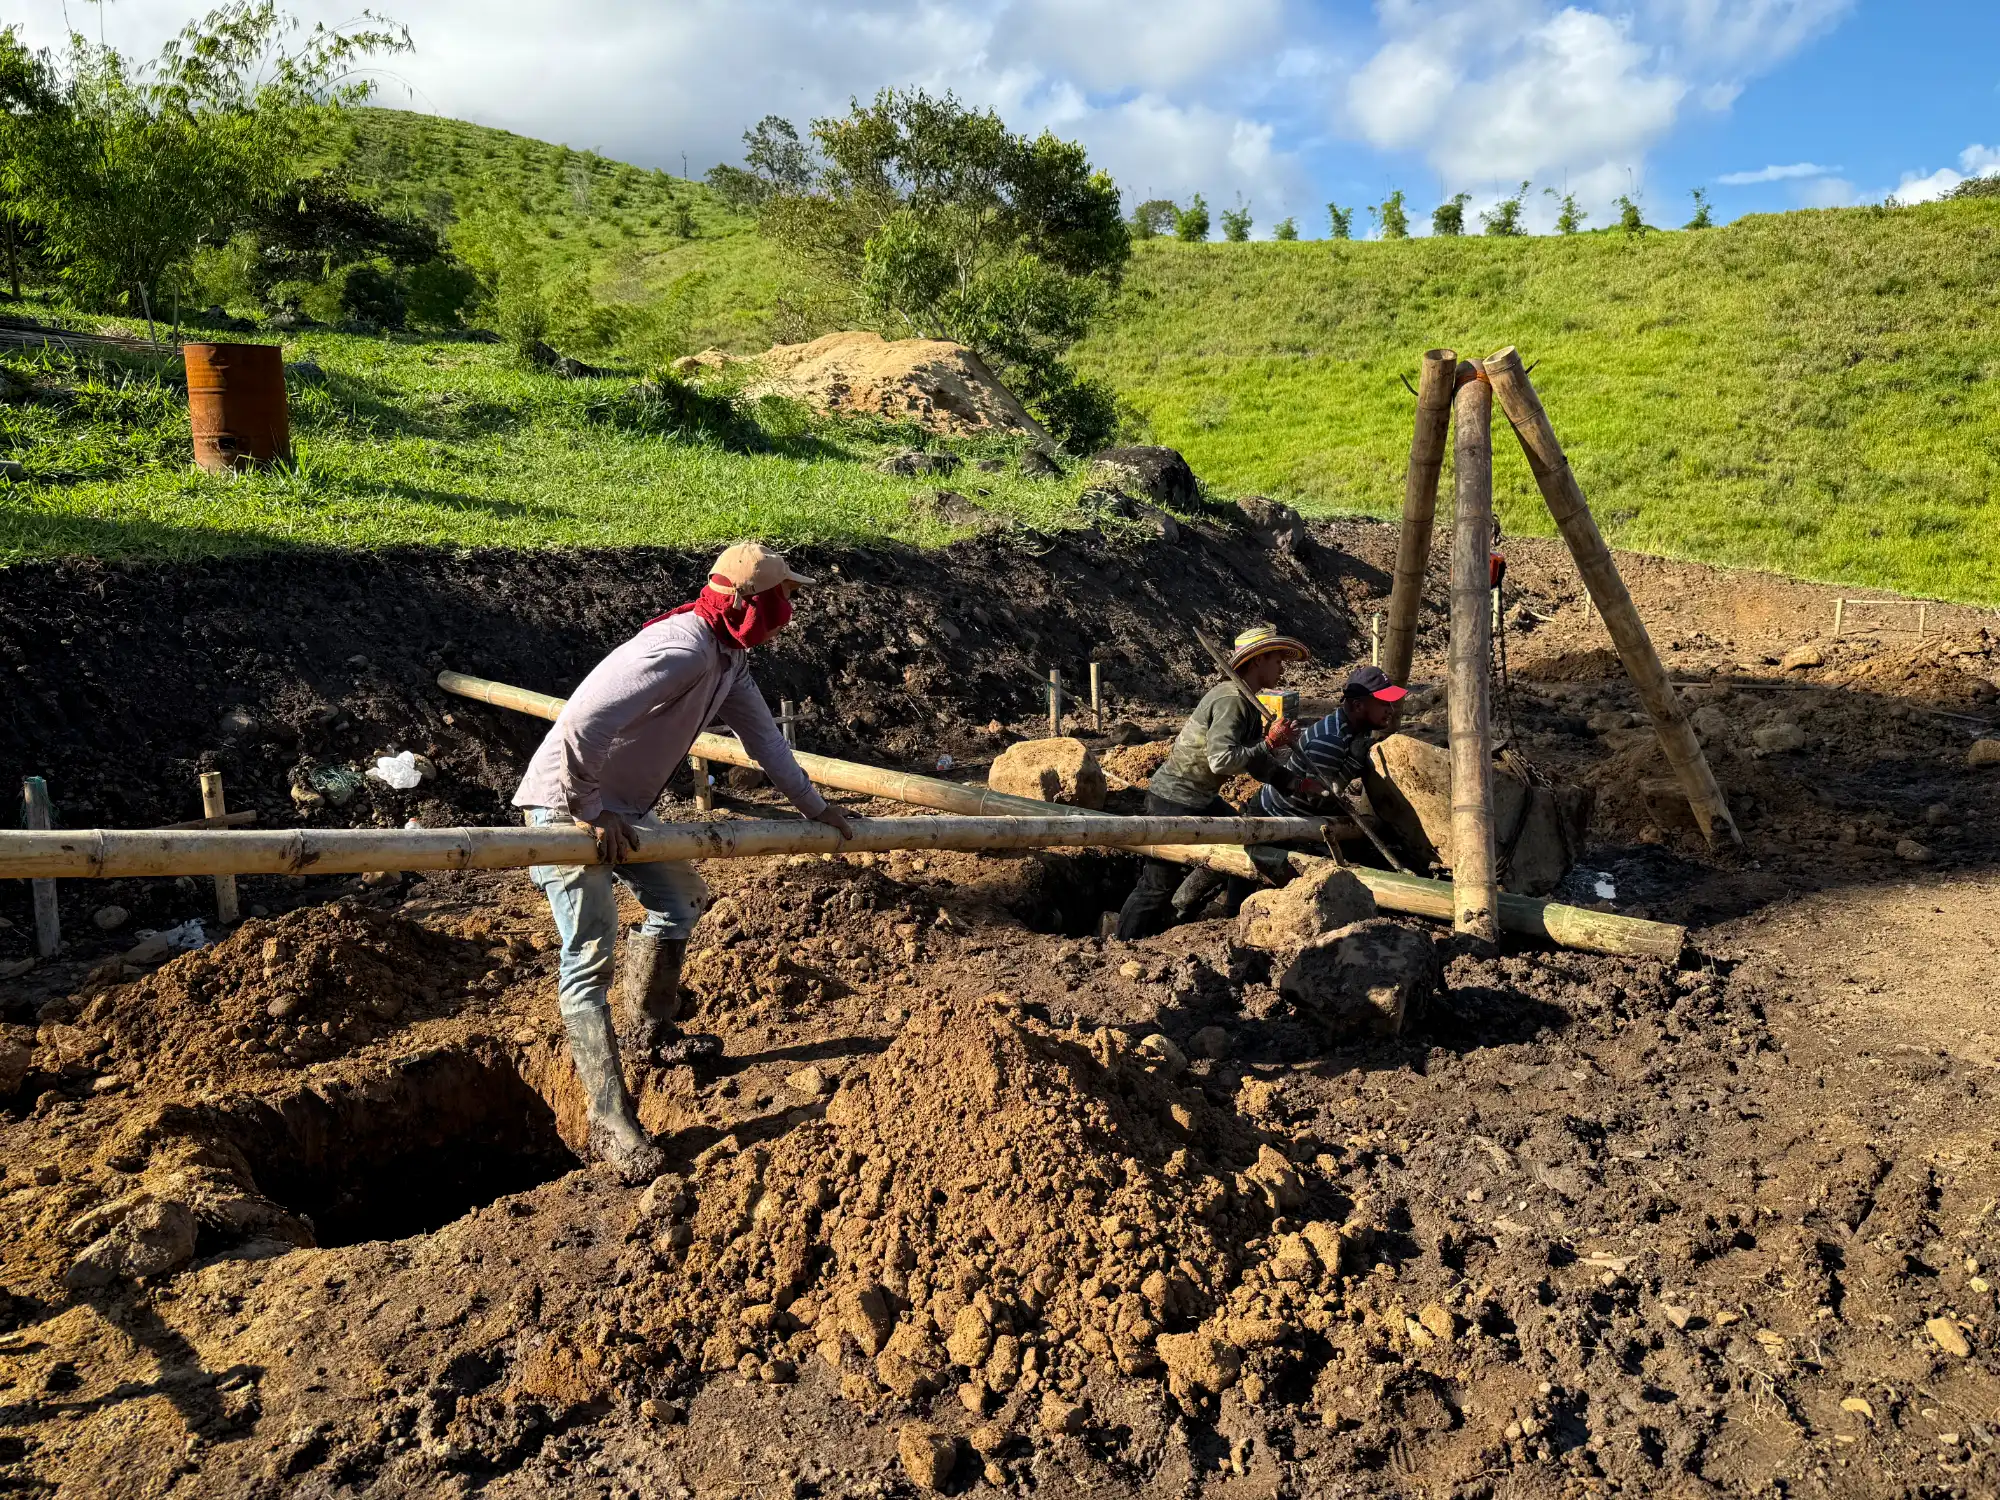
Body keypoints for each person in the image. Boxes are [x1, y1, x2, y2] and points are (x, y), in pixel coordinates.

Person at [512, 543, 856, 1182]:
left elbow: (765, 744)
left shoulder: (729, 660)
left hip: (622, 812)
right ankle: (610, 1119)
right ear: (741, 603)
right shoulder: (680, 648)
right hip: (566, 809)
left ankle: (651, 1029)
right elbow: (584, 722)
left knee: (681, 900)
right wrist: (589, 809)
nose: (788, 610)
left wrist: (817, 808)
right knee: (591, 950)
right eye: (779, 599)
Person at [1114, 625, 1323, 940]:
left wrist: (1293, 783)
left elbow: (1253, 762)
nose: (1282, 668)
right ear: (1256, 662)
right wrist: (1269, 742)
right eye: (1277, 661)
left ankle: (1229, 918)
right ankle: (1124, 943)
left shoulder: (1249, 703)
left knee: (1244, 843)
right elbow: (1222, 760)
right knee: (1156, 883)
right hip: (1175, 799)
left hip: (1197, 796)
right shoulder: (1232, 701)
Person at [1252, 663, 1408, 821]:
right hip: (1275, 818)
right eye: (1383, 703)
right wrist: (1352, 763)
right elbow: (1319, 801)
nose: (1391, 710)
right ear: (1358, 706)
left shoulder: (1357, 727)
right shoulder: (1331, 740)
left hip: (1296, 813)